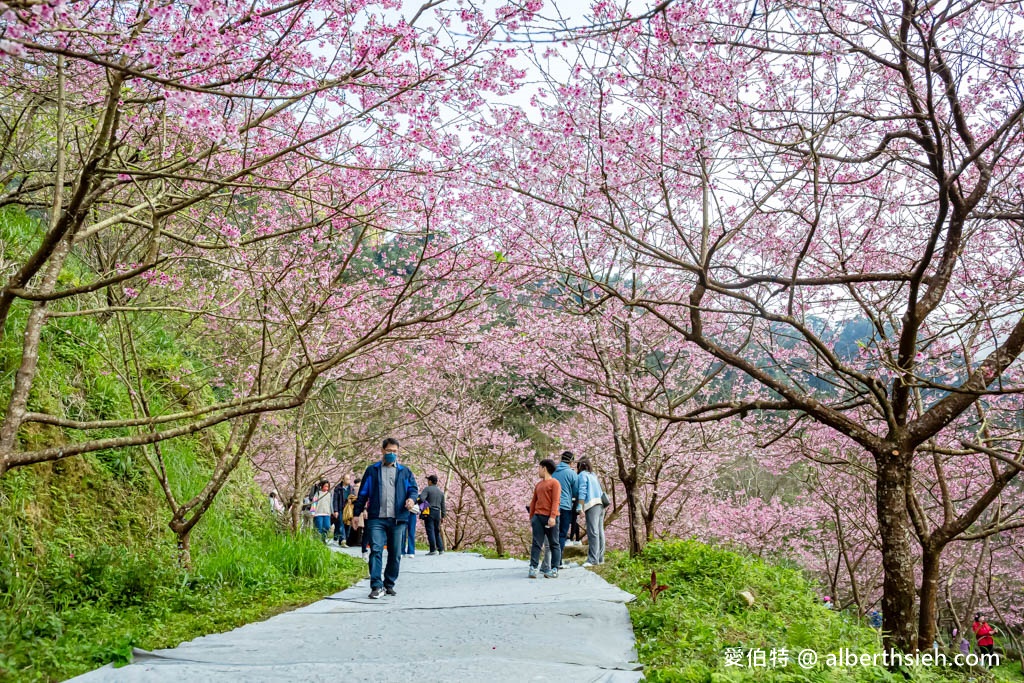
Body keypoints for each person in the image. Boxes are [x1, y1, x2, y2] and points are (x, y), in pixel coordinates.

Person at [354, 438, 418, 599]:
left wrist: (411, 499)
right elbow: (363, 493)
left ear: (398, 452)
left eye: (395, 452)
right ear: (382, 451)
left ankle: (389, 583)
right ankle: (376, 585)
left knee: (395, 553)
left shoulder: (405, 471)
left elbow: (413, 489)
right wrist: (357, 513)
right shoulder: (372, 471)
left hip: (398, 519)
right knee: (376, 549)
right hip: (377, 518)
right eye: (389, 451)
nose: (391, 454)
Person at [528, 458, 562, 579]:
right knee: (536, 543)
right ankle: (533, 567)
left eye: (539, 467)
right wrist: (532, 517)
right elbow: (533, 501)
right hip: (538, 517)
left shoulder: (555, 483)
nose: (538, 470)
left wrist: (552, 516)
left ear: (544, 468)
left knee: (554, 543)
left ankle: (554, 569)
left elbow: (556, 501)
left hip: (551, 518)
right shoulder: (539, 484)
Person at [576, 459, 606, 567]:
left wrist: (580, 507)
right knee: (600, 531)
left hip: (592, 504)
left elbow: (582, 491)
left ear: (580, 466)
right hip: (601, 504)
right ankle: (600, 558)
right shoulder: (593, 475)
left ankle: (593, 559)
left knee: (593, 532)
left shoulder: (582, 475)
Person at [551, 451, 579, 564]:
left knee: (552, 534)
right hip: (565, 506)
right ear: (571, 461)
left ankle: (550, 560)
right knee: (562, 534)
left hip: (552, 506)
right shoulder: (571, 474)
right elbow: (576, 491)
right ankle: (558, 561)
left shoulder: (552, 471)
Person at [420, 474, 446, 555]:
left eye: (428, 480)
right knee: (436, 531)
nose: (427, 482)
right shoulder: (441, 492)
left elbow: (421, 498)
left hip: (429, 512)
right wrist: (443, 516)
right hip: (438, 512)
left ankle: (433, 549)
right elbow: (443, 505)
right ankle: (441, 549)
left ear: (430, 481)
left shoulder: (427, 489)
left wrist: (422, 504)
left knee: (430, 530)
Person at [332, 475, 351, 546]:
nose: (348, 481)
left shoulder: (350, 488)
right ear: (343, 480)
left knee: (348, 525)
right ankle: (343, 540)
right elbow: (335, 500)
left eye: (349, 479)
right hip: (340, 509)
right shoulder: (338, 488)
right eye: (347, 479)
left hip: (348, 510)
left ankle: (342, 540)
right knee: (341, 524)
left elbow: (354, 498)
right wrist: (335, 510)